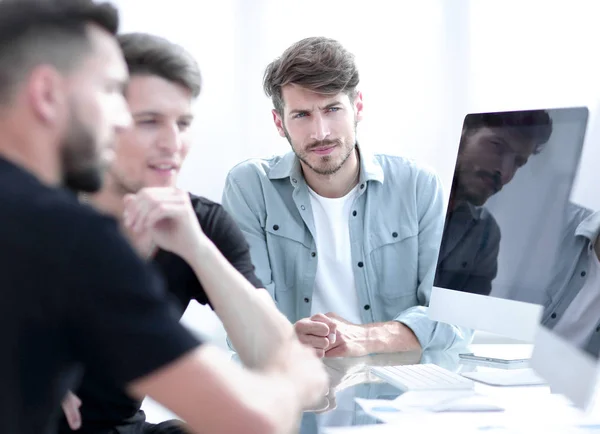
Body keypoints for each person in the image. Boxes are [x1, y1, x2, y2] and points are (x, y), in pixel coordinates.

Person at [0, 2, 327, 434]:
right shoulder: (59, 227)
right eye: (147, 120)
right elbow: (258, 414)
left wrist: (197, 249)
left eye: (185, 122)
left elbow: (272, 351)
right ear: (47, 95)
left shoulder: (197, 223)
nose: (174, 144)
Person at [221, 36, 469, 357]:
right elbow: (241, 321)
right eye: (301, 115)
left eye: (332, 109)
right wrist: (283, 339)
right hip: (291, 385)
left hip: (397, 393)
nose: (321, 132)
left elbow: (455, 319)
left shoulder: (417, 185)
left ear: (358, 107)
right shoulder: (250, 187)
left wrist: (365, 338)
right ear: (279, 123)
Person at [434, 110, 553, 295]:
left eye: (518, 162)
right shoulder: (401, 192)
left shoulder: (485, 233)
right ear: (463, 132)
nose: (504, 173)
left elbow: (465, 318)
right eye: (497, 147)